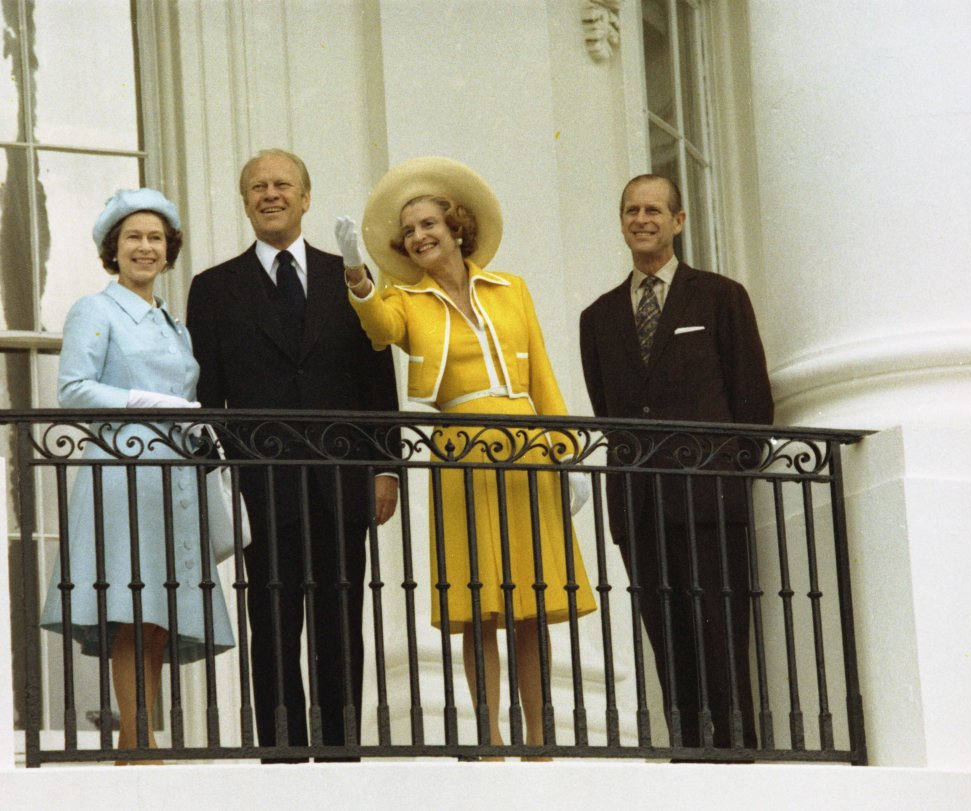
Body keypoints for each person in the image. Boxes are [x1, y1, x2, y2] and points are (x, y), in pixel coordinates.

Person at [340, 156, 596, 752]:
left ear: (457, 227)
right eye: (409, 231)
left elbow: (544, 381)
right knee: (478, 604)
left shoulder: (513, 291)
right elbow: (378, 327)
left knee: (533, 601)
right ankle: (490, 734)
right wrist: (357, 274)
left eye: (429, 223)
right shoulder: (408, 299)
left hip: (529, 449)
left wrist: (568, 451)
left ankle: (540, 735)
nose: (420, 236)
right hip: (461, 450)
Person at [185, 149, 399, 759]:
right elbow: (208, 396)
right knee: (273, 629)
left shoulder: (349, 277)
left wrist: (386, 468)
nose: (270, 194)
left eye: (283, 185)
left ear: (306, 198)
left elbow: (376, 379)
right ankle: (282, 760)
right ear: (246, 201)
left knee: (341, 626)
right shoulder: (214, 288)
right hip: (262, 484)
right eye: (257, 186)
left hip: (342, 481)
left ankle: (340, 755)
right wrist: (223, 479)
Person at [579, 174, 774, 751]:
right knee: (668, 642)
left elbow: (752, 399)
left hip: (711, 500)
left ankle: (737, 759)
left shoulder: (719, 296)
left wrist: (731, 472)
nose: (643, 220)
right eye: (632, 211)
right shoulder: (598, 317)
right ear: (621, 222)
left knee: (722, 637)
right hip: (640, 508)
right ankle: (689, 754)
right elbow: (610, 411)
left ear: (679, 221)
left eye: (655, 210)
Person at [39, 188, 236, 760]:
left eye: (155, 239)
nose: (145, 248)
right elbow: (74, 389)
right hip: (124, 470)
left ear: (168, 250)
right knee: (132, 606)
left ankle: (141, 731)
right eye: (133, 238)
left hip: (172, 476)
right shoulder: (96, 310)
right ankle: (136, 735)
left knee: (160, 615)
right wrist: (143, 401)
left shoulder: (173, 323)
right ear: (113, 249)